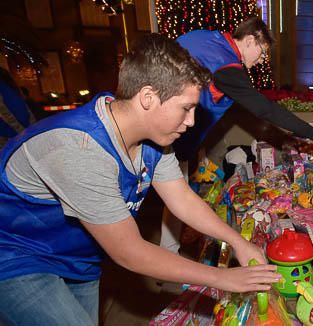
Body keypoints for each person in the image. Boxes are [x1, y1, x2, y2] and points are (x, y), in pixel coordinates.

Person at [0, 34, 280, 325]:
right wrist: (222, 278)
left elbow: (182, 200)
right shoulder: (80, 150)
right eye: (186, 107)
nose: (192, 121)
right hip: (17, 256)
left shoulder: (154, 140)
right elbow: (129, 251)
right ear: (148, 97)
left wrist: (237, 241)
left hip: (77, 258)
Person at [159, 17, 313, 254]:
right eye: (262, 54)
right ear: (251, 40)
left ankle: (167, 250)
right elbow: (264, 108)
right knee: (175, 197)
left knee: (171, 195)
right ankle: (168, 255)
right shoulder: (227, 64)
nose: (260, 61)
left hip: (159, 123)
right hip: (173, 136)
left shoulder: (204, 37)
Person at [0, 68, 35, 149]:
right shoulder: (8, 85)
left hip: (21, 131)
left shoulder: (10, 85)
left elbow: (25, 106)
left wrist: (32, 127)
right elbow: (3, 112)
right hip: (8, 134)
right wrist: (21, 130)